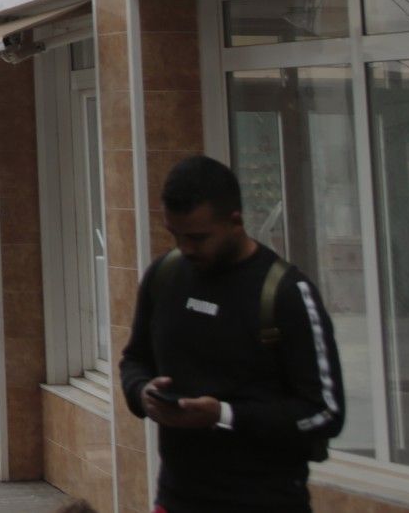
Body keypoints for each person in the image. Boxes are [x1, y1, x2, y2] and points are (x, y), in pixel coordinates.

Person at [120, 155, 346, 513]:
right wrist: (141, 392)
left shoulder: (286, 293)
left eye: (197, 237)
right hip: (177, 497)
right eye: (175, 235)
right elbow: (134, 359)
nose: (186, 248)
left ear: (234, 221)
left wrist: (225, 415)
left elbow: (326, 412)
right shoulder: (163, 276)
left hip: (264, 500)